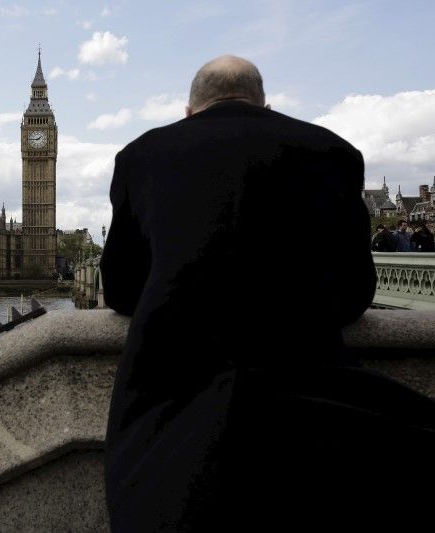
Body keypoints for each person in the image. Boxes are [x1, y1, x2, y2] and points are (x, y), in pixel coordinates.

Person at [101, 55, 435, 532]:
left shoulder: (140, 155)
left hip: (173, 409)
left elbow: (121, 287)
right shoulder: (333, 152)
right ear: (267, 105)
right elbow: (356, 289)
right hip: (307, 405)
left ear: (189, 110)